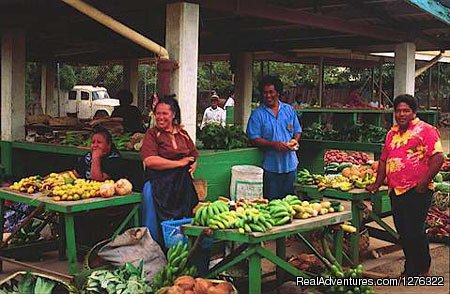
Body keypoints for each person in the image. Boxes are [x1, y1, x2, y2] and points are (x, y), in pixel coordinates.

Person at [367, 94, 444, 277]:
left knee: (415, 231)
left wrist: (423, 184)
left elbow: (438, 157)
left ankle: (422, 267)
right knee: (402, 232)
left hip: (417, 190)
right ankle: (410, 269)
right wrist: (377, 184)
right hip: (396, 190)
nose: (401, 114)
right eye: (398, 111)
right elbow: (384, 160)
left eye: (406, 111)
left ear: (414, 112)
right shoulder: (391, 133)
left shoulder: (426, 130)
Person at [140, 95, 199, 245]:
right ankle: (156, 252)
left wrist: (193, 164)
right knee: (154, 223)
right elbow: (150, 160)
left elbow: (193, 154)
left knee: (182, 222)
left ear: (173, 115)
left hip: (180, 186)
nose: (160, 117)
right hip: (158, 184)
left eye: (164, 113)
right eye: (157, 113)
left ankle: (180, 250)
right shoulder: (152, 134)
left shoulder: (182, 134)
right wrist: (179, 163)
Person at [246, 75, 302, 200]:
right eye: (265, 93)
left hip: (290, 166)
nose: (268, 96)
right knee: (273, 204)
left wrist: (294, 140)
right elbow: (253, 138)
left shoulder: (289, 110)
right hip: (271, 168)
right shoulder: (257, 114)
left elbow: (297, 130)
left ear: (277, 92)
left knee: (290, 204)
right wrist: (273, 145)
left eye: (271, 92)